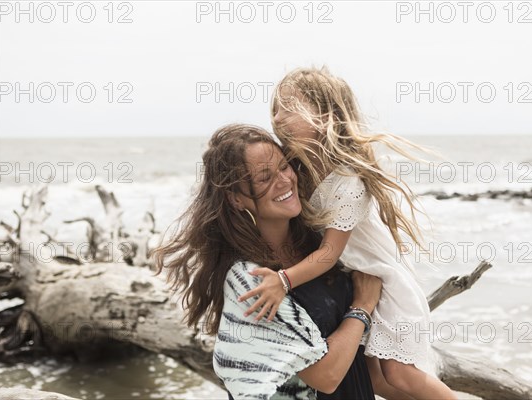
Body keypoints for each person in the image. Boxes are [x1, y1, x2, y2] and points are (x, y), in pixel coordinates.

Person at [238, 67, 458, 400]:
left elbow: (329, 253)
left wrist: (283, 280)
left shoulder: (348, 181)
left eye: (289, 108)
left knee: (400, 373)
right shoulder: (299, 166)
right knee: (377, 383)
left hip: (382, 285)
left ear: (325, 116)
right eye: (274, 109)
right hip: (353, 284)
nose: (277, 118)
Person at [152, 124, 385, 399]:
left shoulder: (319, 248)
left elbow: (363, 366)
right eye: (264, 178)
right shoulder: (250, 280)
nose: (285, 180)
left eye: (284, 166)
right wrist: (362, 307)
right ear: (237, 198)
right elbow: (326, 375)